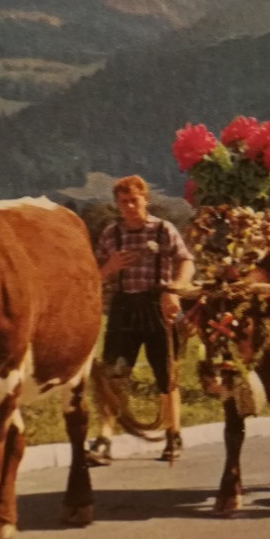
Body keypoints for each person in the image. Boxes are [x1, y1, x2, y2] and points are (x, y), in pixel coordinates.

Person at [88, 176, 195, 465]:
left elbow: (186, 260)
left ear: (145, 199)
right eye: (123, 202)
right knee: (112, 375)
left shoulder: (163, 230)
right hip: (123, 309)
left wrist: (176, 290)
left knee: (166, 375)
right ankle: (104, 440)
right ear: (117, 205)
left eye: (134, 200)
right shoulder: (111, 234)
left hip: (158, 306)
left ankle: (173, 435)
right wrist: (109, 268)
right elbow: (93, 275)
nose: (129, 207)